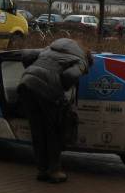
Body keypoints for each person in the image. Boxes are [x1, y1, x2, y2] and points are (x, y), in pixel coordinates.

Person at [17, 38, 92, 183]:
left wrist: (32, 73)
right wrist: (60, 89)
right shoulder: (81, 60)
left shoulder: (51, 49)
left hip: (26, 84)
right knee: (53, 131)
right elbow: (70, 75)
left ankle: (42, 170)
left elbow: (26, 55)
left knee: (37, 130)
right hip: (48, 91)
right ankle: (54, 171)